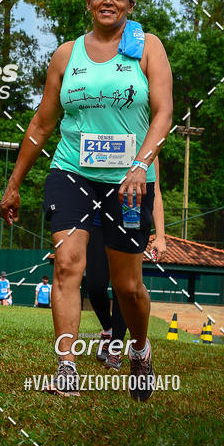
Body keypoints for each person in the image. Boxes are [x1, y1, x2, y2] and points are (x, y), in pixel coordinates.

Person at [0, 0, 173, 399]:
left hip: (130, 183)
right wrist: (15, 181)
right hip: (71, 173)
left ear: (130, 5)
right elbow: (43, 122)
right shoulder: (65, 55)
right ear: (89, 2)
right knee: (66, 266)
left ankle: (139, 348)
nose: (108, 0)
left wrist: (140, 164)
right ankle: (66, 367)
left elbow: (163, 114)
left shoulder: (147, 48)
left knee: (128, 286)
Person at [88, 157, 167, 369]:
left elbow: (156, 192)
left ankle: (116, 348)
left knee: (124, 288)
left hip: (129, 217)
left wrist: (160, 236)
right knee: (94, 284)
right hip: (97, 218)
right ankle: (108, 329)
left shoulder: (150, 148)